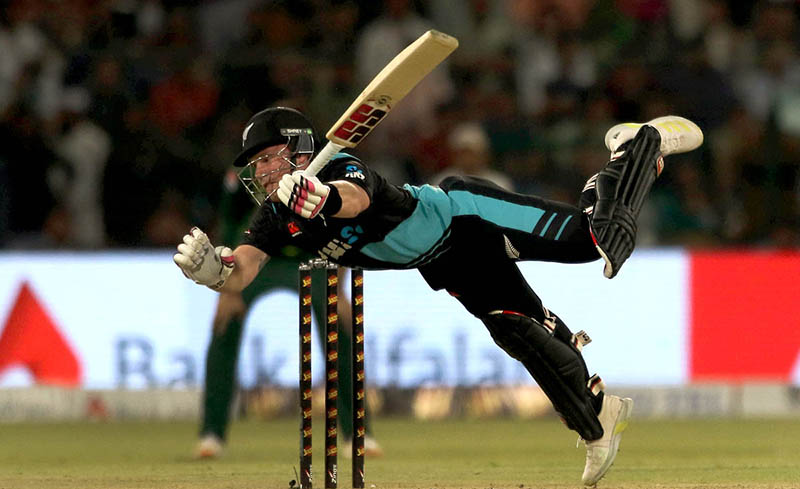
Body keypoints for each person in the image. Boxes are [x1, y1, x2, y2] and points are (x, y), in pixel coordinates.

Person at [174, 107, 703, 485]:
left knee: (597, 242)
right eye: (257, 164)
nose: (261, 171)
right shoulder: (273, 215)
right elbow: (243, 269)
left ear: (299, 150)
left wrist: (322, 199)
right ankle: (598, 419)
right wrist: (213, 273)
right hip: (446, 262)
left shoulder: (338, 169)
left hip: (466, 215)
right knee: (519, 332)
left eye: (269, 158)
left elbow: (357, 200)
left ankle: (637, 147)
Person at [194, 165, 382, 459]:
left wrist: (341, 288)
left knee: (340, 326)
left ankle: (359, 435)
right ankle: (211, 435)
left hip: (313, 255)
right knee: (224, 324)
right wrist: (227, 289)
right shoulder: (241, 176)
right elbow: (229, 225)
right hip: (257, 258)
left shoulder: (321, 168)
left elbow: (345, 227)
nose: (265, 164)